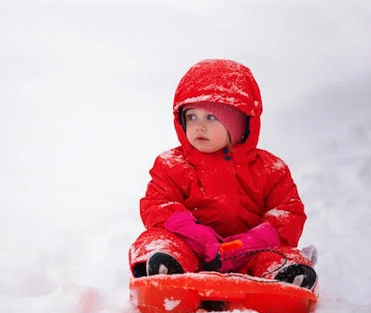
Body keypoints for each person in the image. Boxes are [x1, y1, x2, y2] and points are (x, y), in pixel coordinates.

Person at [128, 59, 317, 291]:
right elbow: (158, 205)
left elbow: (288, 212)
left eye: (211, 117)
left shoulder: (270, 169)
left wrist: (253, 241)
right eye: (191, 117)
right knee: (155, 240)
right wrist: (195, 234)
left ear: (239, 124)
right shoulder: (172, 164)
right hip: (193, 248)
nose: (199, 126)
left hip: (253, 251)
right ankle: (164, 269)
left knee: (281, 254)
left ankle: (285, 276)